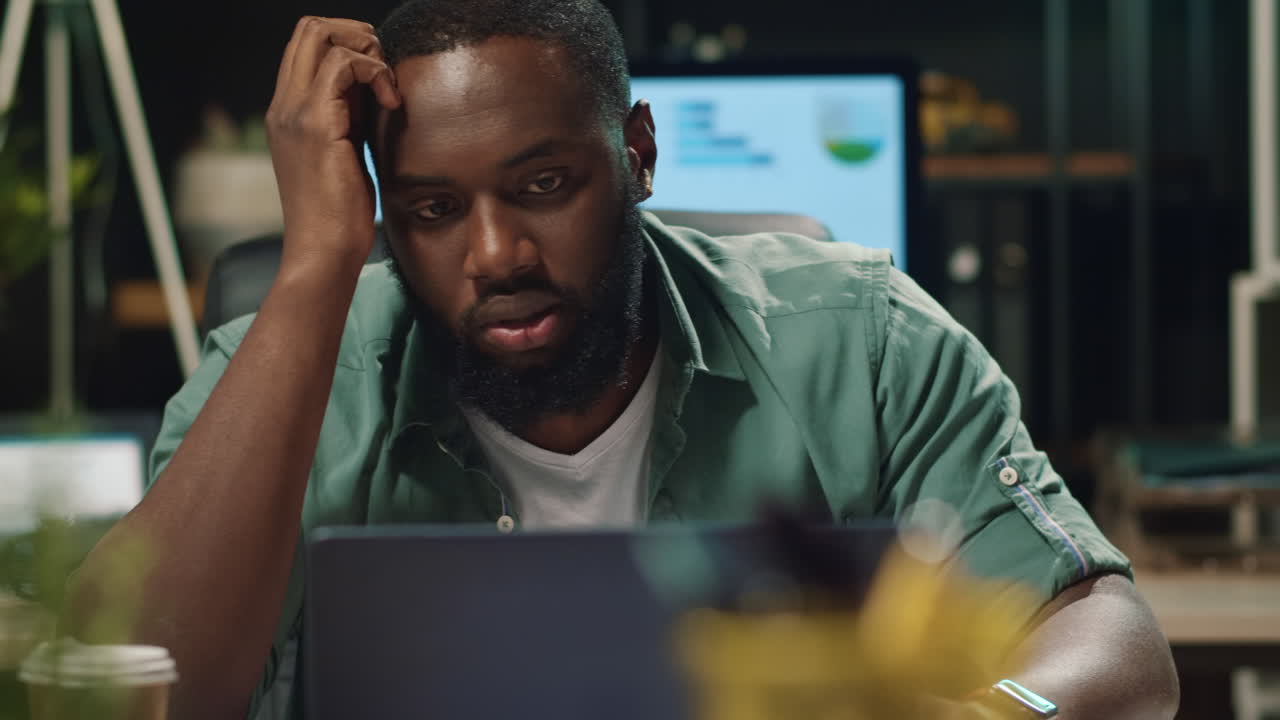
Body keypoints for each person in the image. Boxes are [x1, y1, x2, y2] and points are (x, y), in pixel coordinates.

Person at [68, 1, 1179, 718]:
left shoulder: (865, 342)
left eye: (544, 185)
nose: (496, 253)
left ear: (636, 154)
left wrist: (992, 714)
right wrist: (317, 262)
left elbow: (1113, 643)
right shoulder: (279, 376)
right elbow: (124, 690)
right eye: (432, 209)